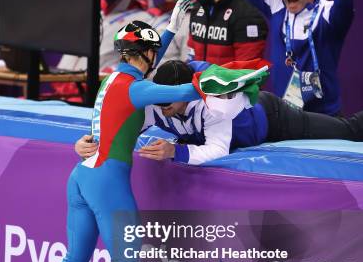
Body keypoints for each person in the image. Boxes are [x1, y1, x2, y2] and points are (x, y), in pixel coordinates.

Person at [22, 5, 201, 262]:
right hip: (108, 182)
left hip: (82, 176)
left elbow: (149, 65)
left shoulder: (112, 81)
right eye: (153, 52)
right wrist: (227, 80)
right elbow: (186, 88)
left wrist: (168, 31)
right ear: (146, 54)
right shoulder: (137, 89)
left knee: (75, 259)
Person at [76, 60, 363, 166]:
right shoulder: (153, 105)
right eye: (160, 95)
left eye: (171, 97)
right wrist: (91, 141)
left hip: (273, 118)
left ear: (187, 92)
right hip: (246, 129)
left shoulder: (215, 106)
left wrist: (176, 153)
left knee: (347, 130)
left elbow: (217, 149)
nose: (164, 105)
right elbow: (119, 126)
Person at [195, 0, 354, 115]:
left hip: (326, 116)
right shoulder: (277, 4)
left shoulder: (327, 11)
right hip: (287, 116)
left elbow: (343, 15)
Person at [57, 0, 160, 73]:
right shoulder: (99, 11)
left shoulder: (143, 21)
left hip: (96, 87)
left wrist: (110, 74)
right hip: (62, 83)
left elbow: (140, 62)